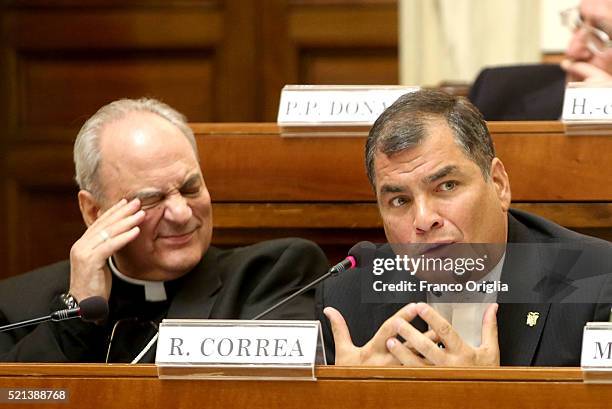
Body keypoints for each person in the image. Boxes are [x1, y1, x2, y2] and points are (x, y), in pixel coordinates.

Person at [0, 98, 328, 363]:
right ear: (93, 211)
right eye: (152, 199)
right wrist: (76, 314)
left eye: (190, 188)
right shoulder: (17, 306)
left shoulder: (270, 276)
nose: (182, 213)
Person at [316, 89, 612, 366]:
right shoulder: (347, 301)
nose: (423, 220)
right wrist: (351, 397)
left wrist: (487, 399)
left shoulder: (597, 282)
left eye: (446, 186)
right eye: (399, 200)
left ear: (498, 184)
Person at [469, 0, 612, 120]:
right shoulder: (494, 89)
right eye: (579, 21)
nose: (572, 50)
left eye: (602, 33)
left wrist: (604, 105)